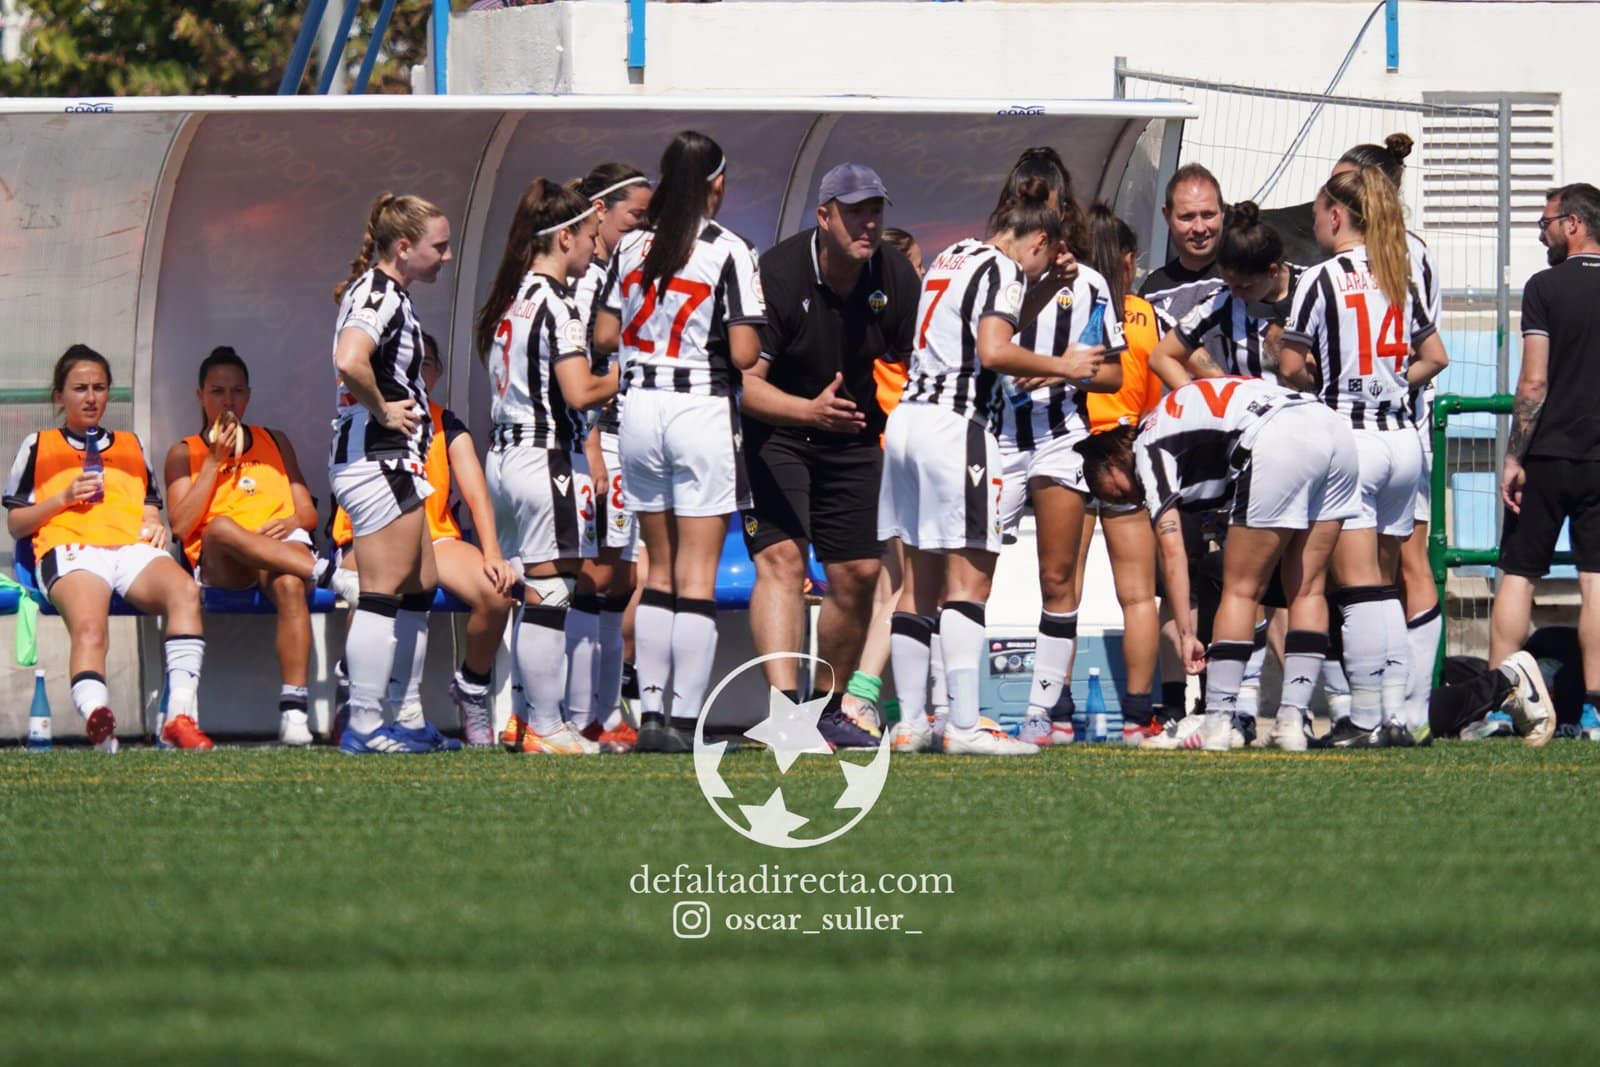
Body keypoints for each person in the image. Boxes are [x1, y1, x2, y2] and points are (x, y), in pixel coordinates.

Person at [881, 174, 1085, 756]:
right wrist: (1065, 366)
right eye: (1043, 262)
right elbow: (994, 350)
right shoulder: (1003, 269)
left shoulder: (952, 255)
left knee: (917, 582)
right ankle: (966, 725)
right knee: (970, 580)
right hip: (957, 427)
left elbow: (979, 329)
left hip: (909, 422)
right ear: (1039, 241)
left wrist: (1044, 288)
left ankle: (912, 723)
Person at [740, 162, 921, 749]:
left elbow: (920, 363)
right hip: (778, 431)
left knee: (860, 574)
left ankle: (829, 710)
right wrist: (808, 411)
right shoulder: (778, 274)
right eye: (855, 211)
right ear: (824, 217)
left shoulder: (893, 273)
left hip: (853, 435)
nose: (868, 223)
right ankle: (784, 713)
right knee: (784, 562)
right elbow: (746, 385)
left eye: (876, 210)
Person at [594, 131, 764, 753]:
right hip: (699, 406)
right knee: (696, 575)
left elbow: (605, 335)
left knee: (658, 569)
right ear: (716, 183)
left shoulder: (632, 243)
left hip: (638, 409)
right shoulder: (729, 248)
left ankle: (653, 717)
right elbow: (744, 352)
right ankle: (687, 723)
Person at [1086, 376, 1360, 752]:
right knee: (1308, 587)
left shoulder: (1148, 447)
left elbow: (1173, 553)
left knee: (1240, 588)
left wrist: (1186, 635)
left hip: (1275, 435)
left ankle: (1216, 721)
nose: (1133, 500)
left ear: (1114, 460)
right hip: (1332, 427)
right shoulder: (1181, 432)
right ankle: (1294, 723)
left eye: (1120, 492)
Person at [1278, 167, 1449, 747]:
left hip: (1352, 439)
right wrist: (1394, 383)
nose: (1314, 226)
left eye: (1316, 215)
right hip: (1403, 439)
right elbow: (1436, 356)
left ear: (1335, 216)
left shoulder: (1320, 277)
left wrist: (1323, 381)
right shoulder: (1398, 272)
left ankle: (1367, 717)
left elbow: (1291, 365)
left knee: (1358, 588)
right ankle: (1400, 714)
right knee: (1386, 580)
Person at [986, 148, 1123, 750]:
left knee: (1058, 573)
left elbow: (1113, 374)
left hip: (1059, 436)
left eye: (1053, 205)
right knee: (971, 569)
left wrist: (1066, 372)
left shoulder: (1089, 284)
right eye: (1031, 203)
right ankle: (950, 707)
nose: (1044, 219)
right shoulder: (989, 273)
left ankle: (1043, 712)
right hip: (995, 437)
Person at [5, 346, 208, 752]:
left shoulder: (131, 444)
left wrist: (154, 523)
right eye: (80, 388)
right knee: (90, 627)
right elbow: (16, 523)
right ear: (59, 396)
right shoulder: (39, 444)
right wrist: (63, 497)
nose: (91, 397)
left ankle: (179, 716)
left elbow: (149, 504)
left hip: (129, 549)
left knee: (186, 591)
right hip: (71, 547)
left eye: (99, 388)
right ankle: (99, 720)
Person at [476, 178, 618, 755]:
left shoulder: (510, 299)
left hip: (504, 457)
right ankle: (545, 725)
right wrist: (628, 374)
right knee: (551, 593)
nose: (593, 246)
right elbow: (579, 391)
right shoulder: (559, 304)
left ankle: (521, 717)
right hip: (546, 457)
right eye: (588, 235)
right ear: (564, 238)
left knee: (532, 589)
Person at [332, 333, 519, 747]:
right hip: (370, 534)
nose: (418, 370)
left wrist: (492, 552)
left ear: (436, 373)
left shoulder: (445, 423)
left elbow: (476, 493)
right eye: (411, 361)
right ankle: (353, 693)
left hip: (434, 538)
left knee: (496, 592)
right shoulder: (366, 412)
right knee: (373, 589)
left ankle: (472, 687)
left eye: (427, 363)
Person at [329, 191, 456, 755]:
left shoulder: (389, 293)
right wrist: (383, 410)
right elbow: (349, 358)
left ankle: (404, 716)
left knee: (421, 582)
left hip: (390, 459)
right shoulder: (377, 293)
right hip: (376, 458)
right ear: (404, 247)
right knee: (380, 593)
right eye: (439, 246)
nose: (447, 256)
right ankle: (363, 724)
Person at [1330, 135, 1445, 736]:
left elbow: (1418, 348)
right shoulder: (1396, 251)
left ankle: (1397, 707)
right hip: (1399, 427)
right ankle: (1394, 708)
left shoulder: (1389, 256)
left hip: (1389, 424)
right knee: (1387, 567)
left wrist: (1386, 382)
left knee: (1396, 566)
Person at [165, 346, 333, 747]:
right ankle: (323, 571)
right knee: (221, 527)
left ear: (249, 396)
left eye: (237, 392)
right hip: (224, 560)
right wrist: (213, 461)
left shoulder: (274, 440)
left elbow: (308, 513)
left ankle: (294, 711)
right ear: (200, 396)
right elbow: (181, 526)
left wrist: (290, 522)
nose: (228, 402)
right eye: (218, 392)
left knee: (290, 585)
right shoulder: (184, 451)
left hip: (278, 551)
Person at [1491, 182, 1600, 738]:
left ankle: (1497, 705)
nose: (1542, 234)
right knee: (1597, 580)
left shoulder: (1545, 287)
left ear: (1573, 224)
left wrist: (1514, 455)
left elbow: (1534, 381)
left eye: (1546, 223)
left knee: (1519, 573)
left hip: (1550, 453)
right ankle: (1595, 712)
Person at [1069, 204, 1165, 742]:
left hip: (1074, 452)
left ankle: (1053, 713)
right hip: (1126, 454)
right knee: (1138, 597)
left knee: (1063, 592)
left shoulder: (1070, 305)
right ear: (1127, 260)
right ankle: (1137, 715)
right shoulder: (1146, 315)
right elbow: (1157, 396)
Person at [566, 162, 652, 754]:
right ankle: (578, 714)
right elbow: (579, 373)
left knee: (617, 575)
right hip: (597, 441)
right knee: (592, 573)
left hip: (626, 438)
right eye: (635, 216)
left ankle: (602, 711)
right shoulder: (586, 282)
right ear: (599, 211)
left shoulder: (615, 274)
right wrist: (593, 448)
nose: (641, 228)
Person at [1147, 202, 1302, 389]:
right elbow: (1162, 356)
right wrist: (1213, 396)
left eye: (1244, 286)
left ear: (1272, 271)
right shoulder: (1224, 300)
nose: (1235, 294)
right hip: (1254, 407)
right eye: (1230, 285)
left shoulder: (1315, 288)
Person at [1139, 163, 1226, 324]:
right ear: (1167, 216)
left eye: (1208, 215)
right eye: (1187, 217)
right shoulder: (1152, 291)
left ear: (1223, 211)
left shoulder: (1247, 281)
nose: (1199, 228)